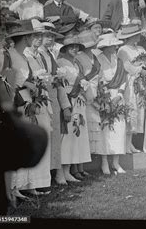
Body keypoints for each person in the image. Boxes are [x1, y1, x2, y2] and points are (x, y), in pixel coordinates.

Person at [6, 19, 52, 199]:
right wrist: (26, 84)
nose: (32, 38)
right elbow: (8, 77)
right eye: (30, 36)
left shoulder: (24, 56)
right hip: (16, 98)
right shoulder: (10, 54)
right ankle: (14, 186)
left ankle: (27, 184)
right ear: (23, 37)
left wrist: (35, 85)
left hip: (28, 98)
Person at [37, 23, 71, 185]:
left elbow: (59, 83)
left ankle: (57, 173)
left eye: (52, 36)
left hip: (54, 99)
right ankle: (42, 177)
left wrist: (66, 106)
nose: (49, 39)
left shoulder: (51, 55)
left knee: (55, 136)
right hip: (41, 98)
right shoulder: (34, 55)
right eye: (46, 36)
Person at [23, 22, 54, 194]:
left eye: (39, 36)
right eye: (34, 36)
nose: (37, 39)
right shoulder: (26, 55)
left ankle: (40, 182)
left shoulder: (40, 55)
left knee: (44, 137)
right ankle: (30, 184)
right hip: (31, 100)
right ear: (28, 38)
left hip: (43, 99)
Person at [57, 34, 92, 183]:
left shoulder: (77, 63)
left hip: (79, 100)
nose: (74, 49)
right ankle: (64, 172)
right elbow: (62, 85)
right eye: (71, 46)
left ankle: (75, 168)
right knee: (68, 136)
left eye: (76, 46)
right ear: (65, 49)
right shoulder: (60, 63)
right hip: (69, 99)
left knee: (78, 134)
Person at [95, 33, 128, 175]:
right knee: (105, 130)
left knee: (119, 129)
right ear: (105, 47)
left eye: (115, 45)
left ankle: (116, 162)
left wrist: (119, 95)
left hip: (118, 97)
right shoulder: (98, 60)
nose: (115, 47)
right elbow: (98, 80)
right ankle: (104, 162)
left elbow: (124, 79)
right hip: (104, 97)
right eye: (112, 45)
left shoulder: (119, 60)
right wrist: (106, 99)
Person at [116, 22, 146, 153]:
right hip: (129, 81)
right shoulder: (123, 50)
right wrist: (140, 69)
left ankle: (131, 143)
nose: (139, 36)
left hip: (141, 82)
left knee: (139, 110)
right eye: (136, 34)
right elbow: (127, 67)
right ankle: (125, 144)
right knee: (130, 109)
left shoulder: (141, 49)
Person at [75, 30, 101, 178]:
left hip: (95, 93)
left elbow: (99, 76)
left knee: (87, 133)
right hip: (85, 95)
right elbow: (80, 79)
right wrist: (90, 96)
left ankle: (84, 165)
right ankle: (78, 167)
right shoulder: (79, 58)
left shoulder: (94, 57)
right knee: (82, 131)